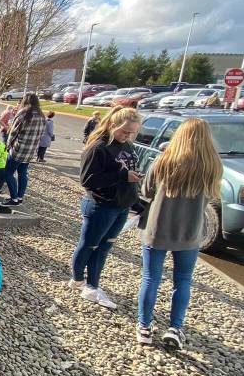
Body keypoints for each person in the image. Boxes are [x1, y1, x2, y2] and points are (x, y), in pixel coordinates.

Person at [135, 118, 223, 350]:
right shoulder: (212, 165)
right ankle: (175, 327)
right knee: (182, 280)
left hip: (158, 227)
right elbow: (213, 196)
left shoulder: (164, 161)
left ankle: (144, 326)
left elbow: (146, 190)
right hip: (190, 230)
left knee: (150, 278)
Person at [69, 107, 143, 311]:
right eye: (124, 131)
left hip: (121, 205)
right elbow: (88, 180)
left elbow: (129, 176)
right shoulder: (99, 148)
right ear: (113, 125)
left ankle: (93, 284)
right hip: (101, 205)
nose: (127, 136)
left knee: (105, 247)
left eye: (132, 133)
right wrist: (121, 177)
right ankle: (78, 279)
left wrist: (136, 203)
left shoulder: (127, 146)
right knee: (89, 245)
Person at [2, 93, 46, 206]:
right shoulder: (42, 115)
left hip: (19, 149)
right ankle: (20, 198)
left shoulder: (24, 113)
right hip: (31, 151)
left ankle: (14, 199)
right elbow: (41, 134)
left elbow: (13, 132)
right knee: (23, 173)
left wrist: (8, 146)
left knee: (8, 173)